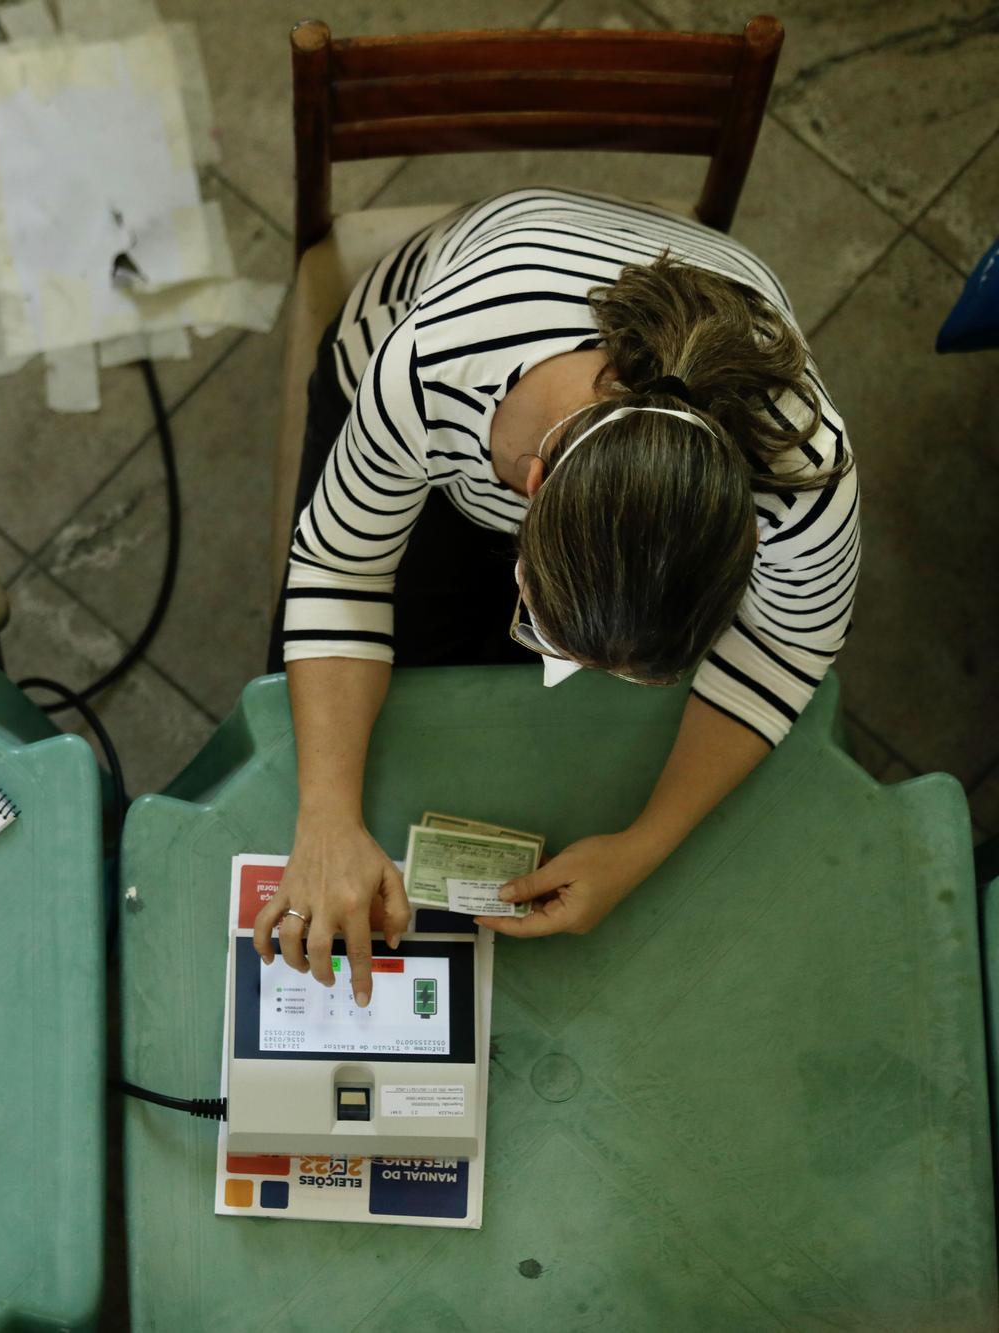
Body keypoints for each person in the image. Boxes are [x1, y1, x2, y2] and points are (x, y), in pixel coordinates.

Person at [256, 189, 858, 1005]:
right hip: (401, 359)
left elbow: (786, 648)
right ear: (528, 497)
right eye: (547, 633)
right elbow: (338, 567)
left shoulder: (804, 474)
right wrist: (325, 811)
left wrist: (643, 846)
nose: (564, 673)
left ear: (747, 539)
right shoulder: (429, 366)